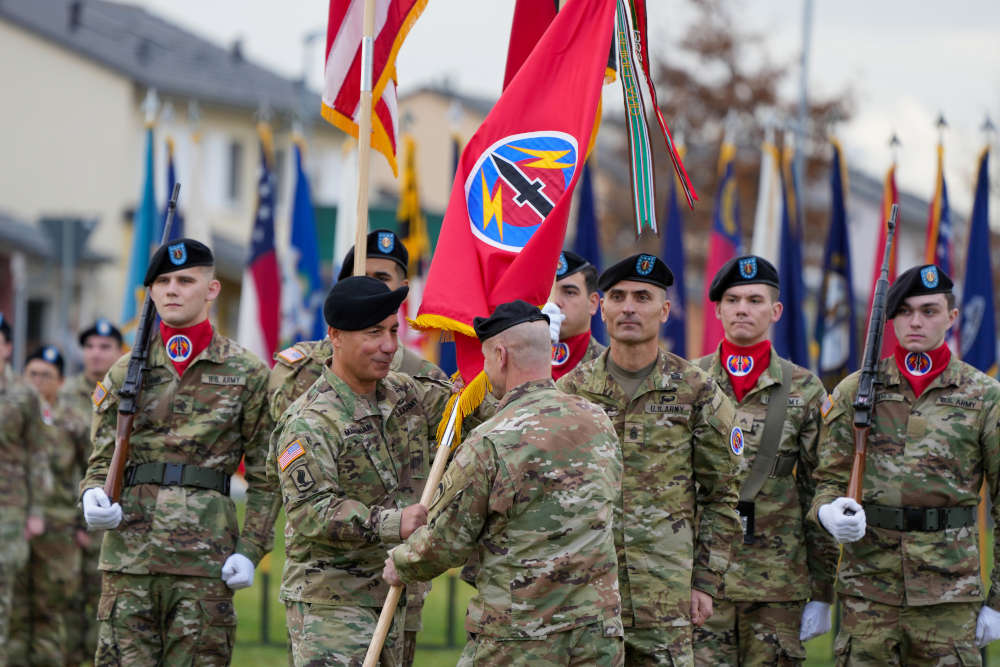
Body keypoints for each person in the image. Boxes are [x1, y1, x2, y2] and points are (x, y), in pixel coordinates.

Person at [383, 300, 625, 666]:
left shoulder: (490, 440)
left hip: (520, 636)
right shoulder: (599, 422)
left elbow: (446, 540)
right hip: (597, 633)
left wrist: (401, 563)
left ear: (500, 355)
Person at [79, 238, 279, 665]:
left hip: (205, 562)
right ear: (150, 292)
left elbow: (266, 476)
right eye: (163, 281)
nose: (172, 290)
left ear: (211, 289)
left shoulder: (247, 373)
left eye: (186, 280)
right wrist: (92, 494)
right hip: (129, 559)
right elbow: (99, 458)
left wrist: (251, 549)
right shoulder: (124, 371)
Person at [270, 276, 480, 667]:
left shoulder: (408, 393)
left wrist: (500, 339)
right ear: (335, 335)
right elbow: (311, 513)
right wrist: (392, 523)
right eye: (373, 333)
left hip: (397, 595)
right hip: (332, 604)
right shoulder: (309, 422)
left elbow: (468, 408)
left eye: (393, 330)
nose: (388, 346)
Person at [557, 253, 744, 666]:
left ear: (664, 311)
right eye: (618, 296)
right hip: (584, 595)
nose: (628, 307)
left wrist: (706, 583)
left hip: (665, 596)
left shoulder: (697, 391)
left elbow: (721, 496)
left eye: (642, 297)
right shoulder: (570, 391)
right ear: (601, 307)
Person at [811, 264, 1000, 665]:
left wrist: (998, 601)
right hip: (867, 592)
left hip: (949, 595)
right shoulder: (854, 391)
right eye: (905, 311)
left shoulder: (985, 397)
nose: (916, 321)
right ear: (891, 318)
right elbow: (826, 479)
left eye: (929, 311)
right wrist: (827, 512)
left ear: (951, 317)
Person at [691, 256, 837, 665]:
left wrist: (823, 590)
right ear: (717, 309)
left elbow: (819, 488)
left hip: (777, 584)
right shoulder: (687, 382)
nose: (742, 308)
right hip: (702, 581)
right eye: (732, 299)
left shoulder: (805, 388)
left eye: (755, 300)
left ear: (776, 311)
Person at [270, 228, 447, 423]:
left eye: (382, 279)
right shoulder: (298, 371)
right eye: (361, 277)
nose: (371, 288)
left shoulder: (426, 377)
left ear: (403, 289)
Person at [10, 346, 90, 665]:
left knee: (52, 611)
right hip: (15, 525)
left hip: (58, 529)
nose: (39, 382)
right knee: (14, 609)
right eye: (33, 374)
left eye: (47, 375)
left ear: (61, 381)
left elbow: (92, 474)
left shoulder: (73, 423)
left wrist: (84, 524)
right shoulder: (10, 417)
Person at [61, 318, 123, 663]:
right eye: (90, 346)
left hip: (118, 519)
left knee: (112, 614)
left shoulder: (131, 392)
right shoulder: (64, 394)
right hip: (69, 522)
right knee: (67, 610)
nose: (96, 354)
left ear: (119, 352)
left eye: (105, 347)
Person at [0, 314, 48, 665]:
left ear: (7, 346)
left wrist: (35, 512)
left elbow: (36, 453)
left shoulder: (23, 395)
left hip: (8, 509)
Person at [544, 249, 606, 380]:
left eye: (569, 293)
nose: (555, 301)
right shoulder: (516, 362)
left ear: (593, 303)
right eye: (549, 291)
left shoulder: (611, 367)